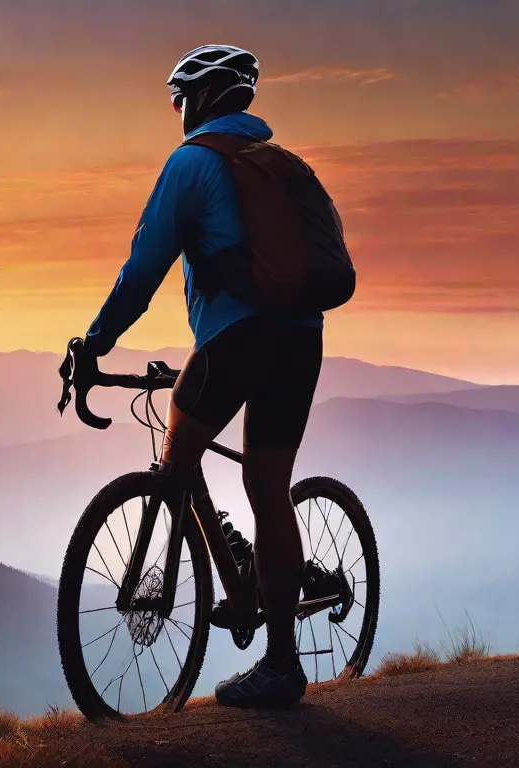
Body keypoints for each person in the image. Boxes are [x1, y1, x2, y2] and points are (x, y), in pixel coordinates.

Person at [78, 45, 323, 708]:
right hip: (302, 339)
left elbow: (143, 267)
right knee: (268, 486)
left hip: (236, 338)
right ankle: (279, 663)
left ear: (201, 99)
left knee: (176, 459)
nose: (176, 111)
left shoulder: (192, 164)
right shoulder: (284, 166)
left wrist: (95, 342)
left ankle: (235, 564)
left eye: (178, 98)